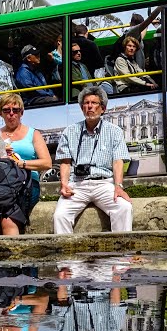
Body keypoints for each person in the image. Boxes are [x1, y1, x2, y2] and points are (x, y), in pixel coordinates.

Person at [53, 85, 133, 234]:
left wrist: (118, 186)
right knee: (60, 215)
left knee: (124, 207)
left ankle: (122, 257)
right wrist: (64, 184)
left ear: (102, 108)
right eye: (86, 103)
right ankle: (67, 258)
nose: (89, 106)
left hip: (104, 183)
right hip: (77, 183)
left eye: (94, 103)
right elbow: (65, 162)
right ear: (82, 108)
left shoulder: (114, 131)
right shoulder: (70, 131)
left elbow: (117, 161)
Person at [0, 93, 52, 235]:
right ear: (0, 113)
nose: (11, 114)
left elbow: (46, 163)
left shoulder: (33, 134)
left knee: (8, 218)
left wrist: (21, 163)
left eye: (15, 110)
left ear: (22, 112)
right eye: (6, 110)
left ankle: (12, 256)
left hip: (24, 183)